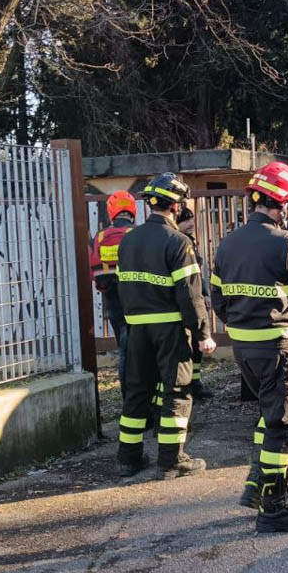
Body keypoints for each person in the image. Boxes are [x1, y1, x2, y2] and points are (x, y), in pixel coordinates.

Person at [211, 161, 288, 533]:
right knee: (282, 424)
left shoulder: (228, 243)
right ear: (285, 205)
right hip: (278, 346)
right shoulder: (286, 242)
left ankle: (255, 486)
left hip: (245, 347)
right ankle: (275, 508)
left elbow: (217, 297)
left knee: (268, 413)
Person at [115, 173, 216, 480]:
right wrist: (203, 334)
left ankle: (128, 459)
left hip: (136, 329)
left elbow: (122, 287)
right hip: (170, 329)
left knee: (136, 392)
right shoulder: (179, 242)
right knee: (176, 391)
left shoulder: (128, 240)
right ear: (176, 207)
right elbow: (189, 293)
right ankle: (172, 460)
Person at [90, 190, 137, 390]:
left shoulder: (100, 236)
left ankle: (127, 393)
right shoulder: (136, 233)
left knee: (123, 348)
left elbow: (93, 270)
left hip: (111, 298)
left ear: (111, 211)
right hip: (136, 297)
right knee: (138, 347)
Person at [175, 201, 214, 401]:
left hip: (197, 297)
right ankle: (188, 383)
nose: (190, 223)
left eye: (191, 219)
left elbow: (199, 274)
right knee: (188, 345)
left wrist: (205, 294)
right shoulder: (178, 243)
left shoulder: (190, 241)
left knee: (197, 347)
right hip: (186, 303)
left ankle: (195, 382)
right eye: (184, 220)